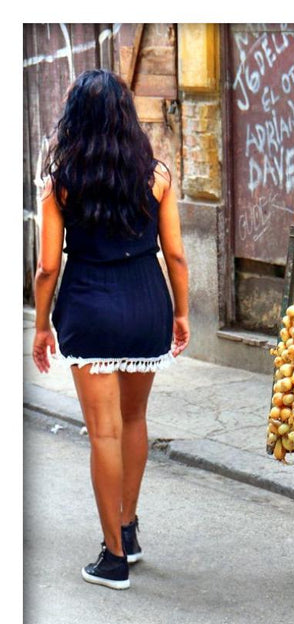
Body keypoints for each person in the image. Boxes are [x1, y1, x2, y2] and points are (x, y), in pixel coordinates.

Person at [32, 69, 190, 590]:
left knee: (104, 433)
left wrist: (40, 326)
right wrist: (182, 313)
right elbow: (176, 256)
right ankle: (129, 525)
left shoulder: (61, 183)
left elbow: (47, 268)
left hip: (90, 309)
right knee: (135, 418)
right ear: (126, 117)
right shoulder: (158, 175)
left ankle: (114, 557)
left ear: (75, 118)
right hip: (147, 304)